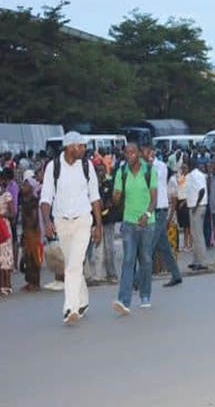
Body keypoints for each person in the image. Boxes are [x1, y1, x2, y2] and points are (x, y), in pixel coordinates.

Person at [39, 132, 103, 325]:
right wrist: (47, 222)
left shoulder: (87, 166)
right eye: (79, 146)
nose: (83, 149)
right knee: (72, 264)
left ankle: (70, 307)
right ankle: (83, 301)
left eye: (84, 146)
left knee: (74, 264)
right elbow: (45, 198)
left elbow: (95, 197)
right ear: (68, 147)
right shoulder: (53, 167)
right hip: (61, 221)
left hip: (83, 220)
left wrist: (98, 225)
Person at [113, 143, 158, 315]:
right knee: (128, 260)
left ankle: (145, 294)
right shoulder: (121, 172)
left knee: (146, 259)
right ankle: (123, 300)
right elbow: (117, 197)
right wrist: (116, 197)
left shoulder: (149, 171)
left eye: (132, 152)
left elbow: (154, 199)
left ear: (139, 154)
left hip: (148, 222)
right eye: (126, 152)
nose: (128, 155)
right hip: (129, 222)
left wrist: (147, 215)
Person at [142, 145, 182, 287]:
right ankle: (176, 274)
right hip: (152, 210)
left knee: (149, 246)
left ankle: (137, 279)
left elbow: (156, 180)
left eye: (147, 152)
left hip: (160, 210)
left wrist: (150, 165)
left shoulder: (161, 166)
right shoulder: (146, 167)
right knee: (164, 247)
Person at [185, 160, 208, 271]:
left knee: (198, 235)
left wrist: (196, 204)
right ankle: (196, 260)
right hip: (196, 206)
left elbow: (202, 190)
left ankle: (202, 261)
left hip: (198, 207)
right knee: (195, 235)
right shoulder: (197, 175)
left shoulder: (195, 175)